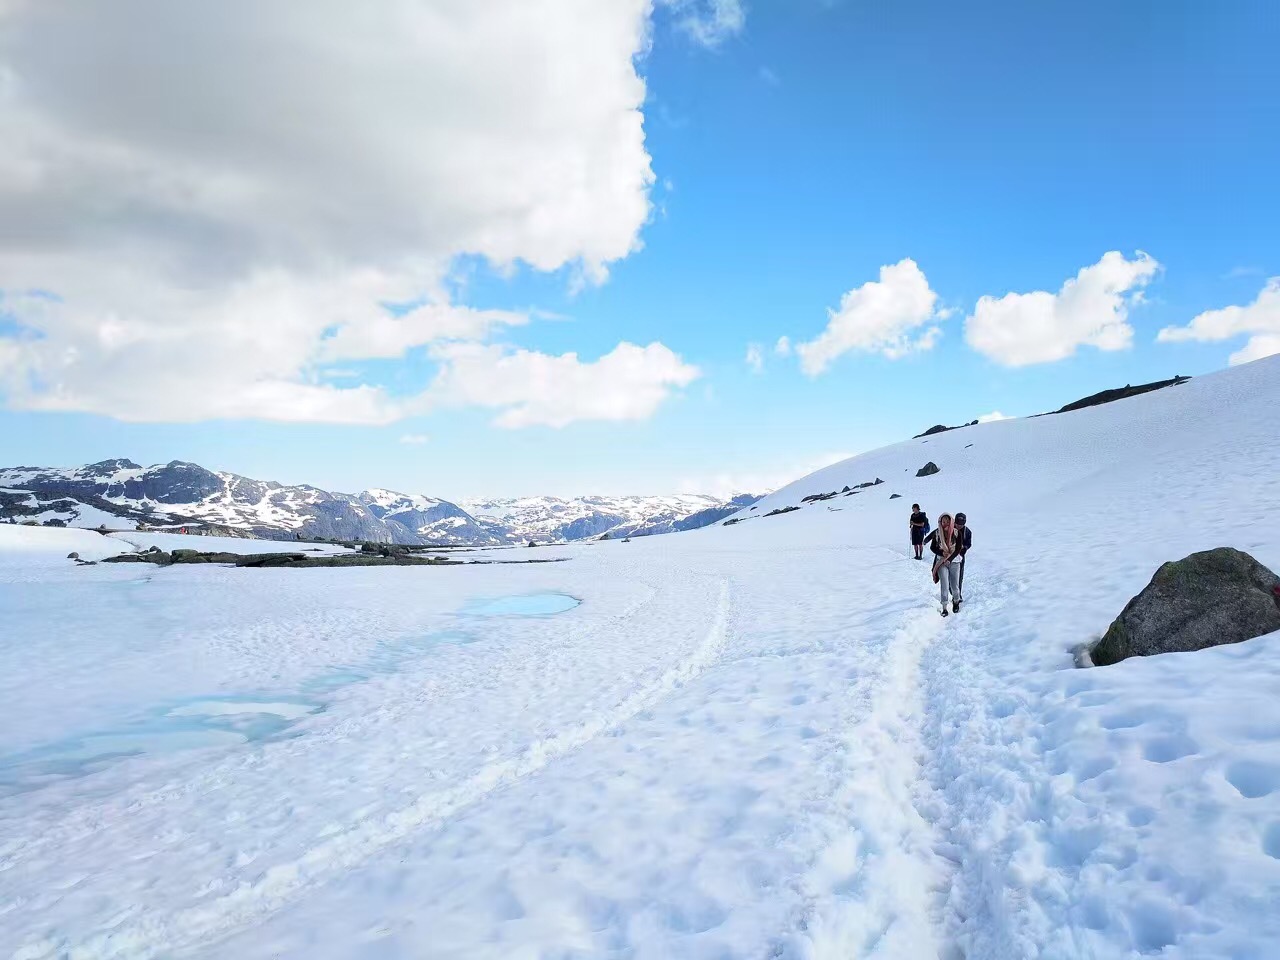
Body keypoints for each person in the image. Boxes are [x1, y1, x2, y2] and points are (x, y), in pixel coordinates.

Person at [926, 512, 961, 616]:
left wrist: (950, 558)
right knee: (944, 585)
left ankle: (956, 601)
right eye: (943, 521)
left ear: (951, 521)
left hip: (954, 561)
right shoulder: (937, 533)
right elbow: (932, 547)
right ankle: (944, 607)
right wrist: (941, 553)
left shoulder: (956, 532)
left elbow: (958, 548)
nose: (944, 523)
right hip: (941, 561)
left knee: (954, 586)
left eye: (947, 521)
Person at [952, 512, 973, 607]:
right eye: (957, 524)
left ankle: (957, 595)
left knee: (959, 577)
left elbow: (969, 544)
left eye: (961, 524)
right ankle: (951, 592)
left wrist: (964, 548)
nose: (959, 526)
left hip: (960, 557)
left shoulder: (967, 532)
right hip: (949, 556)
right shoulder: (949, 529)